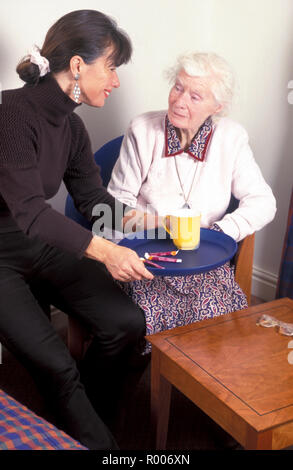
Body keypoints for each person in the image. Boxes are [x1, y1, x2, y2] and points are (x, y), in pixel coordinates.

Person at [0, 9, 154, 450]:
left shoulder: (71, 125)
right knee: (57, 366)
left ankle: (82, 422)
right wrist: (107, 252)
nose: (116, 81)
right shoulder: (9, 115)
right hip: (2, 252)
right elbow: (29, 210)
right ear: (77, 65)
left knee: (127, 323)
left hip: (41, 243)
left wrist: (151, 228)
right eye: (111, 67)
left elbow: (92, 199)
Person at [108, 52, 277, 348]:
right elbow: (112, 207)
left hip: (204, 261)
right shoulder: (142, 130)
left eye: (195, 96)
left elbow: (263, 201)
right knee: (156, 317)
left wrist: (221, 232)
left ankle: (203, 385)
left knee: (223, 321)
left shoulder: (231, 138)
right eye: (177, 87)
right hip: (150, 259)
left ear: (217, 106)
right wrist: (124, 250)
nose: (179, 100)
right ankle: (164, 381)